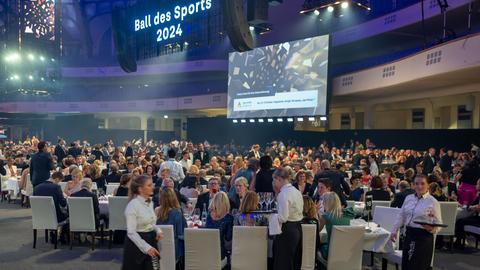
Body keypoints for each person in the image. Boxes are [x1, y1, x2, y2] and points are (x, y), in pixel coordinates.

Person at [390, 175, 443, 270]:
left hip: (423, 238)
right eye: (416, 184)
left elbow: (439, 223)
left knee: (417, 266)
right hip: (409, 235)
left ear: (428, 185)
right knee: (406, 265)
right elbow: (401, 215)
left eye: (422, 183)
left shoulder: (433, 202)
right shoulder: (408, 198)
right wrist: (394, 230)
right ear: (413, 185)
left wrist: (431, 229)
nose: (419, 186)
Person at [122, 175, 163, 270]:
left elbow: (150, 223)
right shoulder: (132, 206)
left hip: (151, 241)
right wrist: (146, 247)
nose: (152, 187)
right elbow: (131, 232)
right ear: (140, 189)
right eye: (149, 185)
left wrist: (158, 230)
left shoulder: (150, 202)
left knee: (155, 267)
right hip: (136, 245)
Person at [272, 167, 303, 270]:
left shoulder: (283, 194)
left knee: (283, 263)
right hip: (298, 229)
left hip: (287, 230)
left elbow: (283, 218)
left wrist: (271, 217)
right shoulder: (296, 191)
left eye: (274, 179)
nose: (273, 182)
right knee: (293, 261)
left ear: (279, 179)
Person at [33, 171, 68, 243]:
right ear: (57, 179)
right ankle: (62, 237)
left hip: (39, 217)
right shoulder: (56, 187)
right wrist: (65, 198)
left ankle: (53, 234)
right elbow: (63, 203)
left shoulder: (36, 188)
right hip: (54, 217)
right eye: (59, 181)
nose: (59, 183)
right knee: (68, 216)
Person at [318, 192, 355, 259]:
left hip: (330, 253)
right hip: (346, 252)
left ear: (326, 203)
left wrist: (315, 213)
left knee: (319, 245)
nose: (322, 203)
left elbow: (317, 230)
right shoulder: (347, 214)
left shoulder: (325, 216)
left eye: (323, 201)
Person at [155, 188, 186, 260]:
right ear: (174, 198)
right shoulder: (177, 212)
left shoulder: (156, 210)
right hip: (174, 250)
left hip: (157, 248)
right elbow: (180, 234)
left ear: (161, 198)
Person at [205, 192, 234, 260]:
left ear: (214, 201)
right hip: (220, 254)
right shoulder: (229, 218)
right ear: (226, 203)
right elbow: (228, 238)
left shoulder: (209, 216)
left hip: (206, 252)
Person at [454, 179, 480, 249]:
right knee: (460, 220)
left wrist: (472, 207)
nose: (476, 186)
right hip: (476, 215)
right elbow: (472, 205)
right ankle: (459, 241)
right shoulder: (478, 194)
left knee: (461, 221)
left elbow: (476, 207)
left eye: (477, 184)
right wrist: (467, 206)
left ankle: (459, 243)